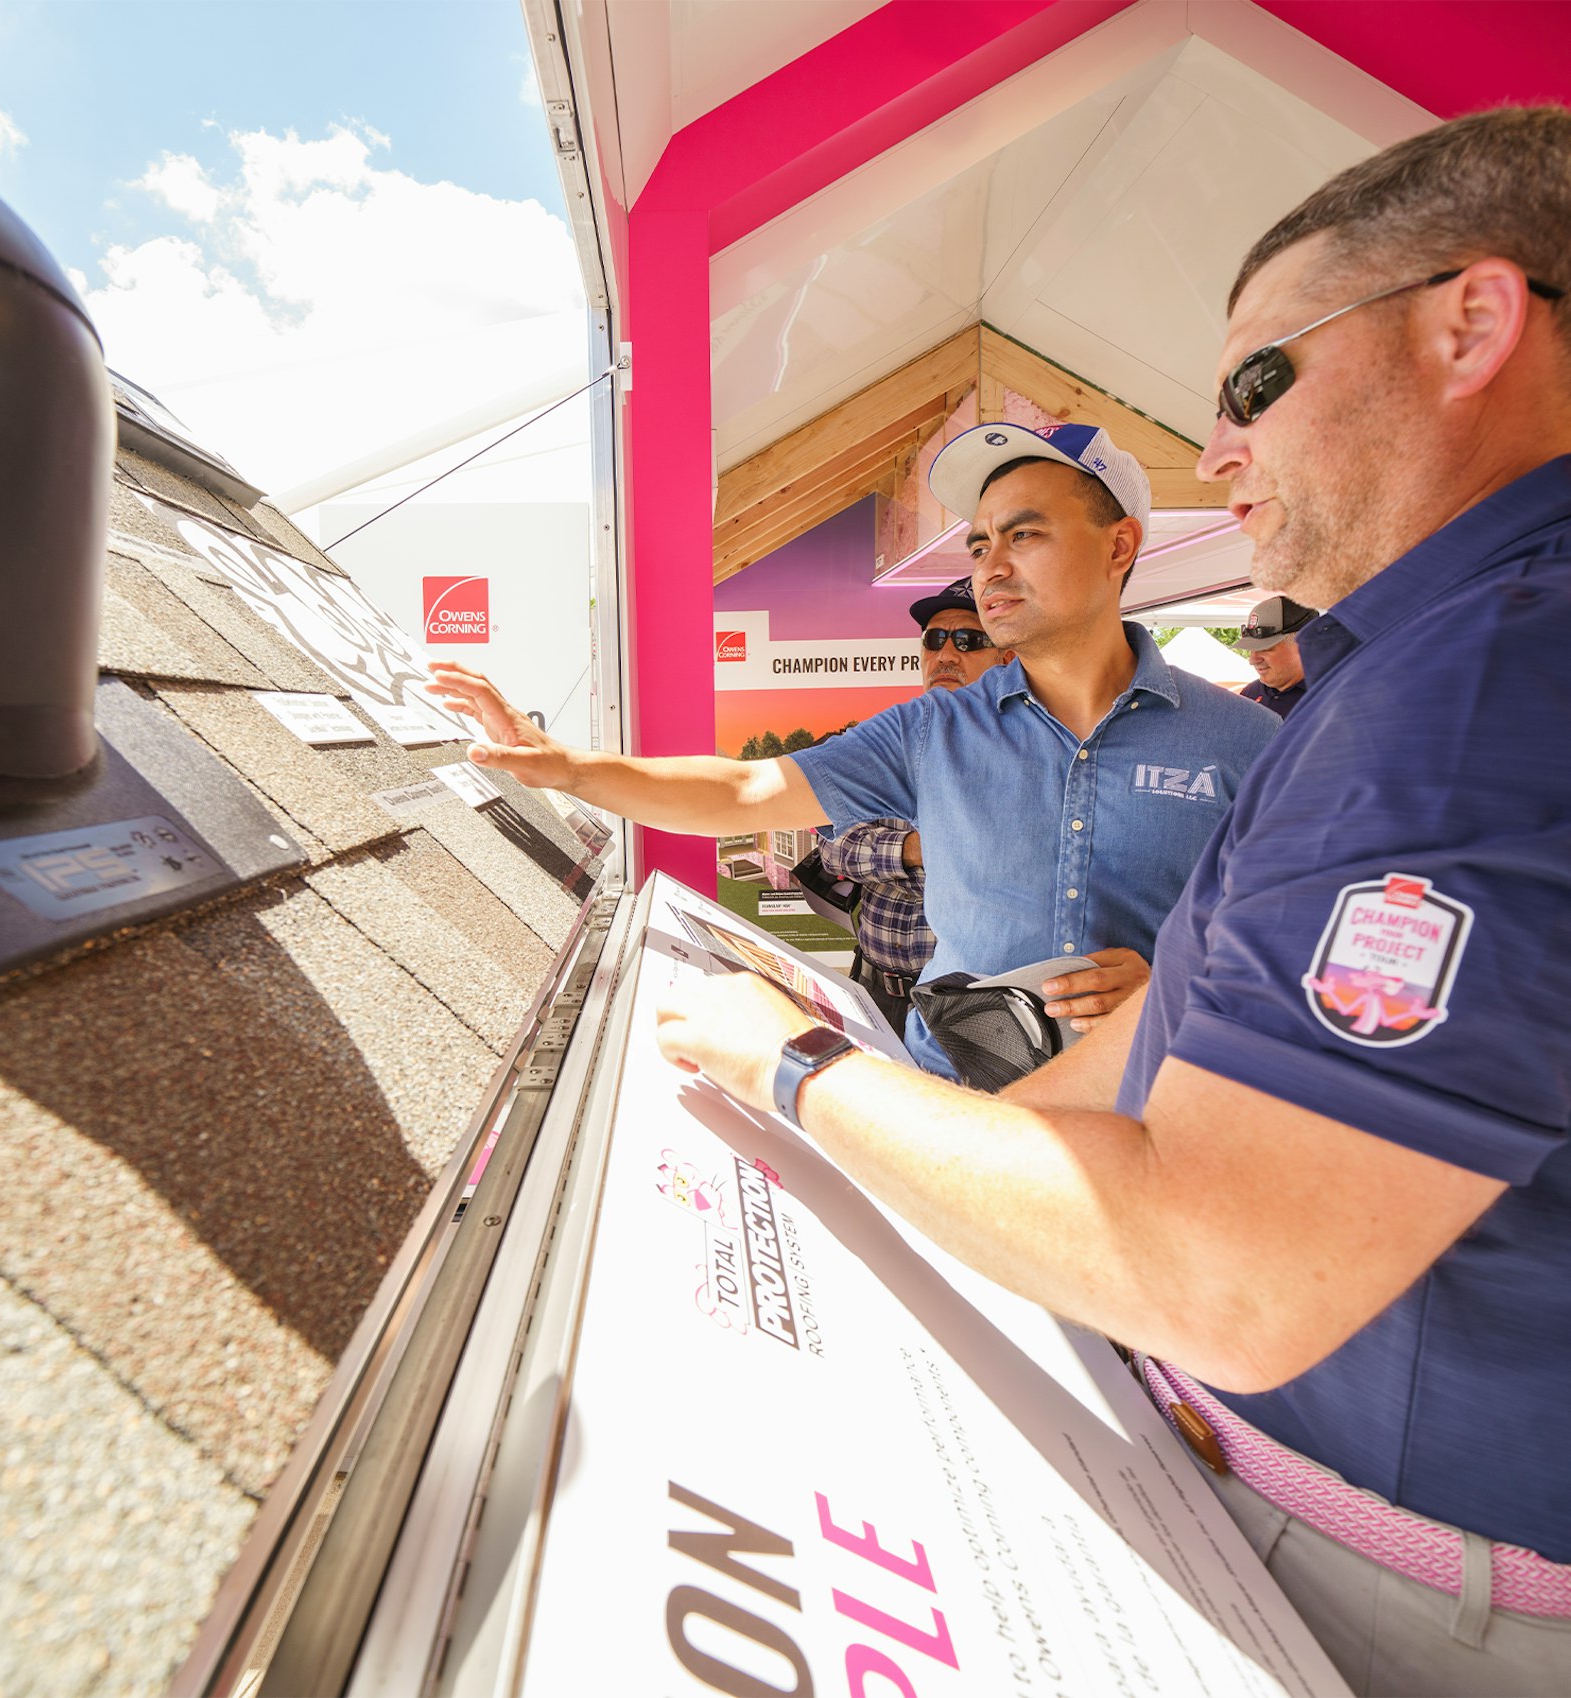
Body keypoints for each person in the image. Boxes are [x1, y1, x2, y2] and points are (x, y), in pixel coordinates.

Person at [652, 105, 1571, 1697]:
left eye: (1248, 383)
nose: (1223, 447)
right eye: (976, 543)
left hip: (1397, 1579)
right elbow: (1145, 1076)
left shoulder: (1463, 700)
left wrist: (790, 1068)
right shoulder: (1391, 680)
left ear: (1468, 322)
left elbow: (1225, 1272)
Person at [430, 422, 1278, 1079]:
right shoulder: (933, 729)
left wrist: (1176, 989)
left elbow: (1291, 946)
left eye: (1025, 535)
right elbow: (746, 790)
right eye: (980, 543)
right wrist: (571, 767)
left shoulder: (1246, 740)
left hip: (1153, 1098)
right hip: (955, 1097)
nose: (990, 568)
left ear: (1120, 545)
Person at [814, 576, 1006, 1037]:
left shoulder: (1023, 757)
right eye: (934, 639)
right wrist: (913, 850)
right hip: (873, 986)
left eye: (968, 640)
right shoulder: (885, 743)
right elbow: (835, 851)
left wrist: (885, 853)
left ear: (1008, 658)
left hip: (967, 1010)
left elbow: (994, 869)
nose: (945, 654)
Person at [1233, 594, 1314, 717]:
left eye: (1264, 648)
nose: (1252, 660)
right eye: (1252, 649)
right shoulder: (1250, 694)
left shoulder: (1332, 698)